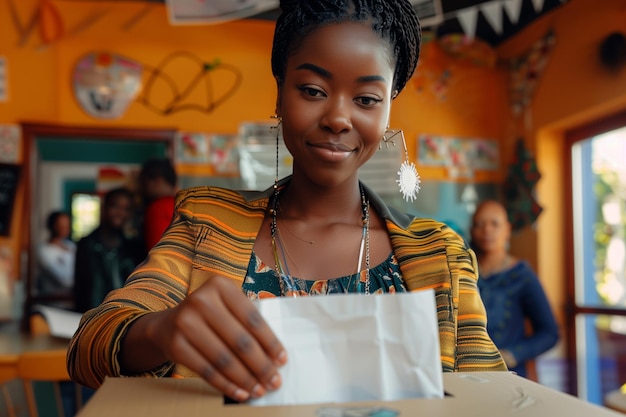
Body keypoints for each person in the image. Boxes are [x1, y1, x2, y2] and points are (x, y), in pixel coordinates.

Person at [67, 0, 506, 402]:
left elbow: (493, 399)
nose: (337, 117)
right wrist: (161, 330)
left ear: (388, 107)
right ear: (279, 92)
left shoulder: (442, 255)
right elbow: (87, 347)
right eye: (313, 90)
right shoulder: (205, 224)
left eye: (367, 99)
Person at [470, 199, 559, 379]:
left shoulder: (521, 274)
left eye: (494, 224)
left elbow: (550, 333)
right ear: (472, 231)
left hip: (509, 377)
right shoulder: (463, 272)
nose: (487, 230)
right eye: (480, 224)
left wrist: (512, 354)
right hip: (468, 374)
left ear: (507, 230)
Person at [73, 187, 146, 313]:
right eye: (115, 206)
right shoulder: (86, 244)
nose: (120, 213)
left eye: (126, 209)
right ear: (104, 207)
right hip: (92, 317)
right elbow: (80, 288)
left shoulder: (134, 247)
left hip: (123, 316)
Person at [137, 158, 178, 251]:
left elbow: (158, 256)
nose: (142, 188)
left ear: (157, 180)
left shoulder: (158, 208)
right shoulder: (184, 204)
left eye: (144, 183)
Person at [37, 210, 76, 300]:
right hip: (54, 301)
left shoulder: (71, 246)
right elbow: (66, 281)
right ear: (53, 226)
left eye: (67, 225)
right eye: (61, 225)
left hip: (72, 300)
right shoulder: (44, 250)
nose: (65, 228)